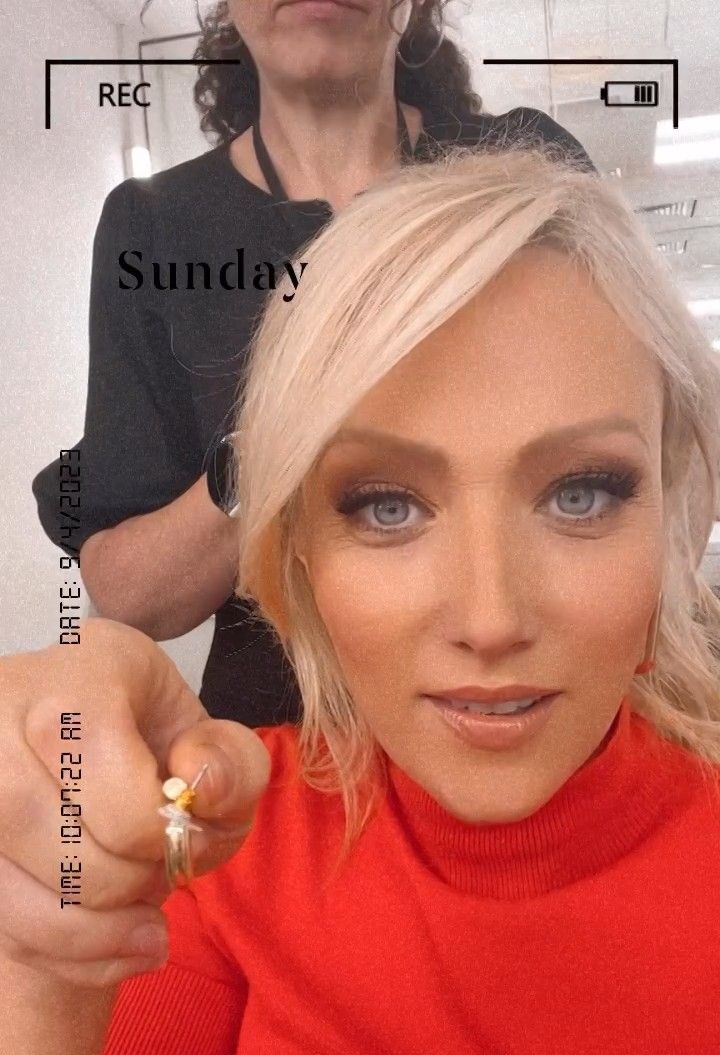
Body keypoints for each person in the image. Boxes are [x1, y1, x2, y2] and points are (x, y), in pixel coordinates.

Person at [5, 143, 720, 1055]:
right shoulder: (220, 842)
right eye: (387, 505)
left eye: (581, 492)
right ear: (297, 553)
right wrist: (37, 970)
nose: (490, 616)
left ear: (674, 516)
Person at [31, 0, 594, 729]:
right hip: (286, 743)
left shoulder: (526, 165)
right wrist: (279, 440)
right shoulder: (153, 225)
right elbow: (135, 597)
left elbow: (649, 448)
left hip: (524, 703)